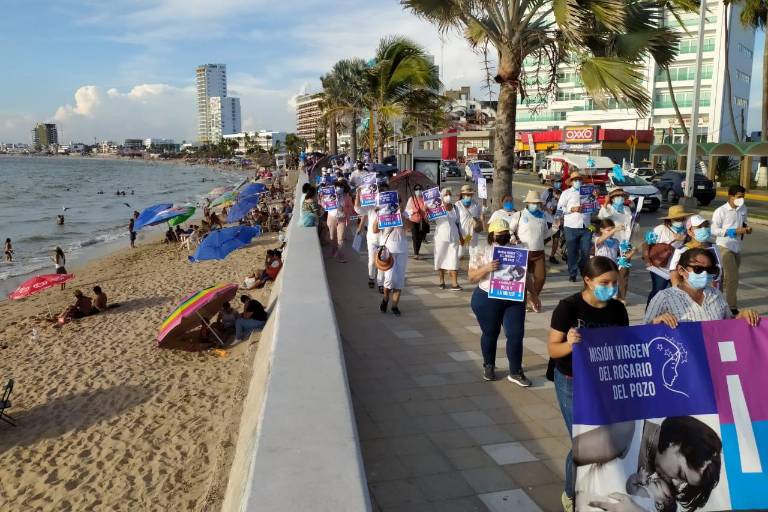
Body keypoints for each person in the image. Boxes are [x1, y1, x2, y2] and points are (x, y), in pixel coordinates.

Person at [547, 256, 629, 511]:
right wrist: (570, 344)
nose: (611, 287)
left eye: (615, 282)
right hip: (572, 380)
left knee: (605, 437)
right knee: (583, 441)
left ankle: (602, 485)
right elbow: (553, 349)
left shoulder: (617, 309)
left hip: (603, 380)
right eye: (605, 282)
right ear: (588, 281)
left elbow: (625, 344)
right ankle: (571, 493)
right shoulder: (568, 308)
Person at [468, 219, 532, 385]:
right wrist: (486, 268)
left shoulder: (519, 250)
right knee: (490, 333)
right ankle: (489, 365)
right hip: (487, 298)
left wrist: (534, 294)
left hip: (513, 298)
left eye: (506, 233)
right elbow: (471, 277)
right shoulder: (481, 250)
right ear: (491, 235)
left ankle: (516, 371)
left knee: (516, 334)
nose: (503, 236)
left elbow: (525, 275)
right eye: (499, 234)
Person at [645, 248, 759, 327]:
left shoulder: (716, 294)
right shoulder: (664, 297)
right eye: (698, 269)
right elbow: (642, 333)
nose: (704, 274)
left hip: (714, 355)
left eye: (709, 270)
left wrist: (743, 315)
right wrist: (656, 321)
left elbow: (728, 324)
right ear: (681, 270)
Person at [711, 184, 751, 314]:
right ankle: (732, 308)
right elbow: (713, 230)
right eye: (739, 197)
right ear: (731, 196)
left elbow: (744, 222)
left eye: (743, 197)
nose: (742, 199)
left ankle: (718, 302)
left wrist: (746, 229)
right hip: (724, 246)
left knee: (727, 279)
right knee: (732, 277)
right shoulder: (720, 211)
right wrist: (734, 231)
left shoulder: (743, 208)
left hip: (737, 247)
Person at [507, 190, 550, 311]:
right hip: (523, 252)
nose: (535, 205)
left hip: (539, 252)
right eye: (533, 203)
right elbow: (510, 229)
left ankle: (533, 297)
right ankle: (522, 302)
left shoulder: (543, 216)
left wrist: (556, 228)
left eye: (537, 203)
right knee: (522, 279)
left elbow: (546, 234)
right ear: (528, 203)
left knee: (540, 278)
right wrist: (513, 238)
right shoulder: (520, 215)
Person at [642, 205, 692, 304]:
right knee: (658, 291)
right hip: (659, 268)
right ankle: (650, 313)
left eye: (682, 219)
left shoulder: (686, 232)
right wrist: (647, 261)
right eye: (677, 219)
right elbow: (646, 244)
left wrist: (685, 238)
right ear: (670, 220)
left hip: (675, 268)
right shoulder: (660, 229)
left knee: (679, 292)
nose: (680, 221)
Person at [557, 171, 595, 282]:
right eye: (575, 180)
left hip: (586, 227)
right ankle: (572, 273)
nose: (577, 182)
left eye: (579, 180)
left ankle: (583, 270)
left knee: (585, 252)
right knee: (572, 252)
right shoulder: (566, 193)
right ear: (572, 182)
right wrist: (572, 209)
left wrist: (594, 198)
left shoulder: (588, 192)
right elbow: (559, 209)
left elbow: (595, 207)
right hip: (571, 227)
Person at [372, 197, 408, 316]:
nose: (397, 204)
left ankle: (395, 306)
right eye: (395, 203)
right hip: (388, 251)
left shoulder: (404, 214)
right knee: (389, 279)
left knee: (399, 280)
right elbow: (375, 230)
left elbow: (409, 227)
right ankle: (386, 298)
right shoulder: (384, 214)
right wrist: (378, 216)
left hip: (402, 250)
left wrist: (402, 214)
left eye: (399, 202)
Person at [668, 215, 721, 288]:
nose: (704, 229)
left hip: (711, 293)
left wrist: (718, 291)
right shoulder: (682, 250)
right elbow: (674, 275)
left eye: (706, 226)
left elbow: (720, 272)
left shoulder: (715, 247)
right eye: (699, 227)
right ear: (689, 231)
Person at [594, 219, 635, 302]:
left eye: (612, 230)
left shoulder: (616, 241)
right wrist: (615, 229)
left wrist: (633, 251)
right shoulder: (598, 239)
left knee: (611, 289)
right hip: (600, 268)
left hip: (612, 268)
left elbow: (623, 257)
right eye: (608, 230)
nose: (612, 232)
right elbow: (600, 240)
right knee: (601, 288)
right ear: (601, 230)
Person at [355, 180, 384, 291]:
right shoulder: (370, 205)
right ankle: (371, 277)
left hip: (384, 237)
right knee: (372, 260)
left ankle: (380, 283)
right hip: (372, 237)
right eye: (379, 190)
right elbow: (358, 209)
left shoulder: (388, 206)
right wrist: (358, 194)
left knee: (382, 260)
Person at [433, 188, 462, 291]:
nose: (448, 196)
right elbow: (429, 220)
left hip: (454, 237)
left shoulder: (455, 208)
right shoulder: (437, 208)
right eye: (446, 194)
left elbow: (458, 223)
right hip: (441, 236)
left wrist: (461, 236)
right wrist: (426, 210)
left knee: (454, 258)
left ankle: (455, 283)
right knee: (440, 257)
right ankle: (442, 281)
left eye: (449, 194)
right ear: (441, 196)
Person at [326, 180, 354, 263]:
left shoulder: (347, 197)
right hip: (332, 217)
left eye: (341, 187)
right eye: (338, 187)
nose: (339, 188)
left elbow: (351, 209)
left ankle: (340, 255)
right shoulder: (329, 195)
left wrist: (344, 209)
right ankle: (333, 251)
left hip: (342, 219)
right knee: (332, 237)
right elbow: (323, 205)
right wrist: (322, 199)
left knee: (340, 238)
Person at [455, 184, 484, 258]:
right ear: (463, 195)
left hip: (473, 231)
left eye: (469, 194)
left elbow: (480, 217)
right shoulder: (457, 205)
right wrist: (458, 233)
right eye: (466, 194)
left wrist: (482, 216)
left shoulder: (476, 204)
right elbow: (455, 220)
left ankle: (473, 266)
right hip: (463, 232)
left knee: (473, 253)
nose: (468, 196)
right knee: (460, 254)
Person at [405, 184, 430, 260]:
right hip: (414, 220)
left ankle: (417, 251)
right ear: (414, 190)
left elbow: (429, 209)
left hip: (423, 221)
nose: (418, 190)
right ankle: (416, 253)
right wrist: (414, 211)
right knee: (415, 236)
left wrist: (426, 209)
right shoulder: (411, 199)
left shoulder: (425, 199)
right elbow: (407, 210)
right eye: (416, 189)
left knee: (420, 237)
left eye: (419, 189)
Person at [541, 181, 563, 264]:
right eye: (556, 182)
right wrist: (547, 209)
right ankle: (538, 252)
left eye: (559, 182)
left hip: (557, 220)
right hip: (547, 219)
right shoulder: (547, 192)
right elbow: (540, 204)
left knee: (556, 239)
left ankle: (552, 256)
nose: (558, 184)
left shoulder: (563, 193)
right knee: (546, 238)